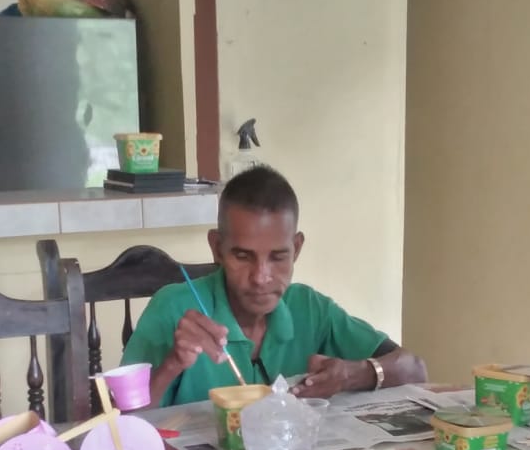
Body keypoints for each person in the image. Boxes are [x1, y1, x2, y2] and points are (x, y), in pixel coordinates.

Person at [121, 166, 426, 407]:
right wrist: (173, 364)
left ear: (297, 248)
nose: (261, 277)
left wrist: (350, 375)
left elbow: (414, 368)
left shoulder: (310, 309)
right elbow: (120, 425)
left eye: (278, 257)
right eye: (243, 256)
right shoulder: (174, 310)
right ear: (217, 248)